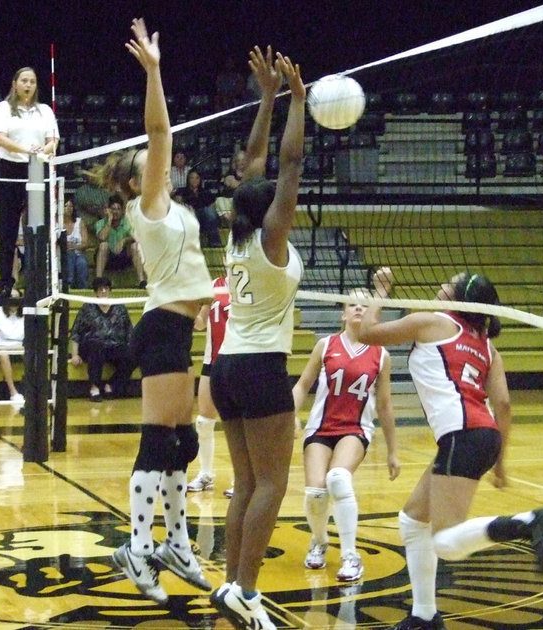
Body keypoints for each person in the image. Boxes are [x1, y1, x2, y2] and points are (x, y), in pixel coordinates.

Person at [88, 18, 214, 605]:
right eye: (150, 163)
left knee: (180, 446)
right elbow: (159, 131)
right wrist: (156, 73)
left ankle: (177, 546)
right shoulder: (151, 202)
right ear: (142, 179)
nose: (158, 163)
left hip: (177, 326)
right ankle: (137, 550)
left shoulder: (173, 212)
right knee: (156, 442)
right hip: (162, 327)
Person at [359, 268, 543, 630]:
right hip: (482, 436)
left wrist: (380, 291)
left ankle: (529, 522)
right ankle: (424, 616)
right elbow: (505, 406)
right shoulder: (487, 345)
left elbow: (366, 333)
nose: (439, 287)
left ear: (459, 298)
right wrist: (500, 463)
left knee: (447, 543)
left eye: (447, 285)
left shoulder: (432, 322)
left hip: (461, 435)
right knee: (411, 520)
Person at [208, 45, 306, 630]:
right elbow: (286, 165)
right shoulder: (271, 237)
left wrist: (266, 98)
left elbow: (254, 161)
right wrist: (298, 99)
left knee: (246, 481)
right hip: (261, 368)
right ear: (271, 209)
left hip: (225, 367)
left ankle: (231, 585)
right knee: (271, 482)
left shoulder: (239, 233)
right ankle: (246, 589)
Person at [292, 288, 400, 583]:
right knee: (315, 493)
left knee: (338, 478)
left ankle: (351, 555)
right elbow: (302, 385)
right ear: (342, 313)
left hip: (355, 428)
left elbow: (386, 404)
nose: (358, 309)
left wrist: (392, 450)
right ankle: (319, 539)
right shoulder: (326, 345)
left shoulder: (381, 355)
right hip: (320, 428)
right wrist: (292, 415)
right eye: (352, 304)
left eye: (364, 305)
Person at [0, 66, 60, 301]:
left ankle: (37, 280)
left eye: (32, 81)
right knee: (7, 230)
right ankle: (5, 281)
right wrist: (26, 150)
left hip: (36, 170)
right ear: (15, 83)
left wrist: (43, 150)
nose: (28, 85)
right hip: (10, 169)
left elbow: (53, 140)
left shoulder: (45, 111)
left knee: (37, 230)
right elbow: (0, 138)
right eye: (24, 80)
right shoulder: (3, 108)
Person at [187, 276, 229, 493]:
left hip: (236, 359)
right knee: (204, 420)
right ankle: (206, 474)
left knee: (239, 423)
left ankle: (242, 480)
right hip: (211, 360)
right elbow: (201, 323)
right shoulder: (214, 285)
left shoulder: (252, 284)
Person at [70, 277, 134, 401]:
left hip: (113, 346)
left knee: (131, 356)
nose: (104, 291)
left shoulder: (120, 308)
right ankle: (94, 387)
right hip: (91, 346)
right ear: (95, 293)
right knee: (96, 346)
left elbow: (129, 332)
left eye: (106, 289)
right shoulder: (87, 308)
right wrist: (74, 355)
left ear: (110, 291)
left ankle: (111, 385)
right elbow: (76, 332)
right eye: (100, 289)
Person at [94, 194, 145, 288]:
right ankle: (98, 281)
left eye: (118, 209)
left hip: (124, 256)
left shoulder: (128, 221)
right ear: (108, 210)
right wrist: (109, 220)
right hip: (108, 258)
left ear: (122, 210)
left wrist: (124, 240)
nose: (115, 211)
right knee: (103, 245)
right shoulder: (101, 223)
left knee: (135, 246)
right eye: (113, 209)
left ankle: (142, 281)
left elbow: (138, 236)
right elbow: (102, 237)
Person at [175, 168, 222, 247]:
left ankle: (214, 242)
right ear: (188, 179)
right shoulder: (181, 191)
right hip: (189, 219)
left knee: (209, 211)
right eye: (192, 178)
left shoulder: (205, 192)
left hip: (204, 220)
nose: (194, 180)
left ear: (200, 179)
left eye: (197, 178)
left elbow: (212, 204)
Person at [73, 171, 110, 241]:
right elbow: (87, 208)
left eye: (97, 175)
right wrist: (101, 211)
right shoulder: (81, 190)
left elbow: (108, 205)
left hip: (102, 220)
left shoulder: (105, 191)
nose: (94, 177)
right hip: (87, 221)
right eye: (92, 175)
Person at [215, 149, 248, 227]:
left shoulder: (250, 174)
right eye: (239, 160)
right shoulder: (229, 174)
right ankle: (232, 221)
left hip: (244, 201)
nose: (242, 163)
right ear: (235, 163)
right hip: (230, 202)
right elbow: (229, 186)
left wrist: (238, 184)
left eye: (243, 160)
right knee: (219, 200)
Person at [63, 198, 89, 289]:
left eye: (71, 206)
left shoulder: (79, 222)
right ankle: (69, 284)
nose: (69, 208)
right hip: (61, 255)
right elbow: (51, 240)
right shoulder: (56, 223)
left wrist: (73, 246)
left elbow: (85, 243)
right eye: (66, 206)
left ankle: (83, 289)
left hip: (78, 254)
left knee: (82, 263)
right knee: (69, 254)